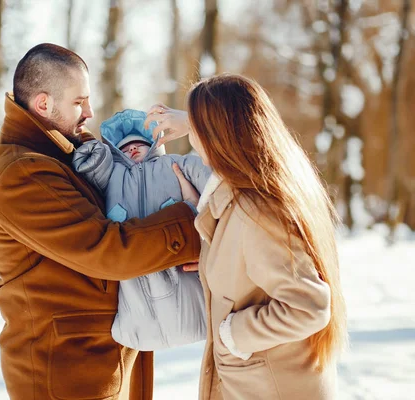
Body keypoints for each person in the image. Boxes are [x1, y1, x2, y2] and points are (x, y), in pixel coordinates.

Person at [0, 43, 202, 400]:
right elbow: (106, 248)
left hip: (101, 356)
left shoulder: (74, 154)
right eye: (79, 102)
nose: (90, 112)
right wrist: (192, 225)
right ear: (43, 104)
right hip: (67, 368)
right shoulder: (22, 172)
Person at [144, 74, 348, 400]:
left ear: (217, 137)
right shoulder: (259, 186)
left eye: (197, 129)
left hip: (270, 388)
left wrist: (233, 335)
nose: (191, 140)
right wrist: (216, 259)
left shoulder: (258, 212)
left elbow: (308, 307)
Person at [72, 109, 211, 351]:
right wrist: (92, 154)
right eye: (125, 148)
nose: (133, 149)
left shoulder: (174, 164)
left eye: (139, 144)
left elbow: (214, 183)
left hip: (183, 275)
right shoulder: (112, 177)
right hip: (136, 293)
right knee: (135, 289)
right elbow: (88, 170)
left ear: (155, 144)